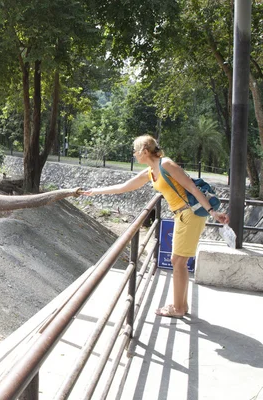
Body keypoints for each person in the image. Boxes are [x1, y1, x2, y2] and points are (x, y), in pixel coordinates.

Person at [79, 135, 229, 318]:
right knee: (178, 262)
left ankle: (177, 308)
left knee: (178, 262)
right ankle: (182, 305)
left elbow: (192, 188)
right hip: (181, 215)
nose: (134, 155)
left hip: (189, 213)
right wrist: (94, 191)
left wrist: (212, 212)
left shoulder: (166, 164)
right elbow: (124, 187)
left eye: (135, 151)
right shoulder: (151, 171)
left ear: (144, 151)